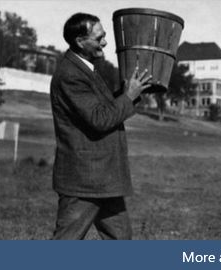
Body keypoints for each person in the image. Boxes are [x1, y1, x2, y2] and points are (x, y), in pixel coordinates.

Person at [50, 13, 152, 239]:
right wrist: (128, 97)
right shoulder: (70, 75)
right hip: (84, 180)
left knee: (121, 242)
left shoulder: (85, 68)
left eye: (104, 36)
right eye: (98, 38)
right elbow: (99, 119)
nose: (104, 43)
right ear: (80, 41)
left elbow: (102, 109)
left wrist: (129, 93)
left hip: (103, 178)